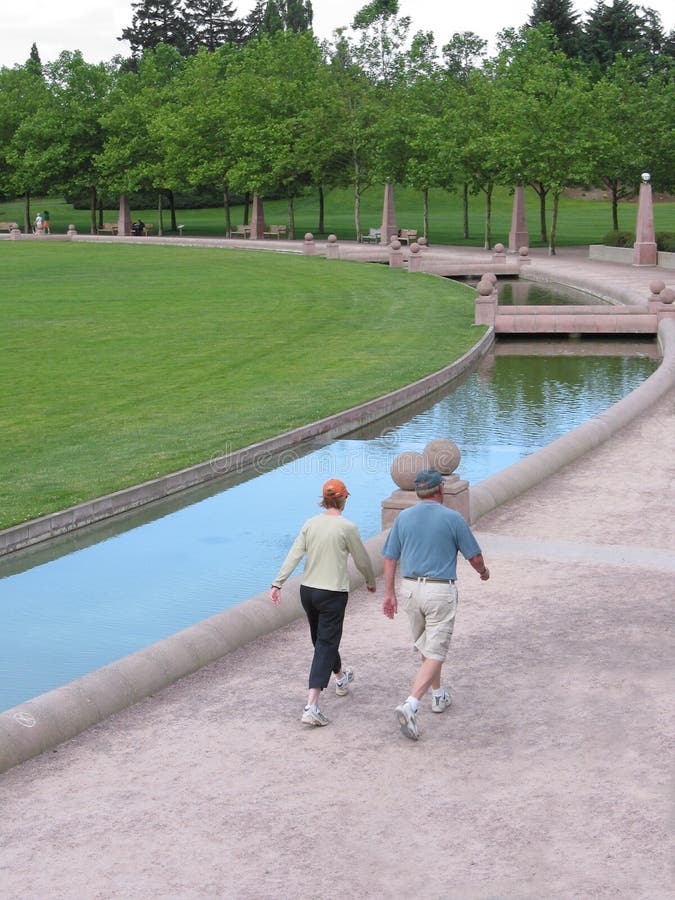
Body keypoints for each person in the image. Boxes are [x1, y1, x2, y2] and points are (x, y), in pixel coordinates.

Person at [382, 469, 490, 741]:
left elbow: (389, 558)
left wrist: (389, 594)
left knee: (427, 647)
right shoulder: (452, 518)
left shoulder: (403, 517)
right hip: (439, 589)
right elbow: (474, 556)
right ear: (440, 489)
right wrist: (483, 572)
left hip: (410, 589)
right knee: (437, 651)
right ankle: (411, 704)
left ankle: (438, 695)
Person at [270, 478, 376, 727]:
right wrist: (371, 580)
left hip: (308, 591)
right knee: (326, 643)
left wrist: (278, 583)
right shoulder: (347, 527)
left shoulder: (310, 523)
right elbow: (361, 559)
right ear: (342, 499)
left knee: (322, 641)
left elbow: (295, 554)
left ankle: (340, 678)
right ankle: (312, 705)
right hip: (332, 593)